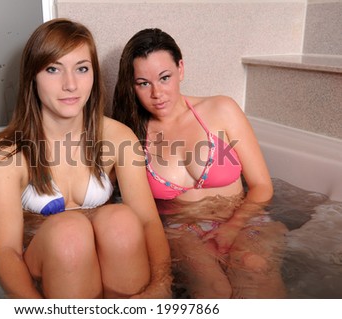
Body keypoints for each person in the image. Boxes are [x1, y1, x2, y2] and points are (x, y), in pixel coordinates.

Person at [0, 19, 172, 299]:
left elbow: (148, 223)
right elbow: (5, 252)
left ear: (93, 74)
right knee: (70, 232)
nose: (70, 84)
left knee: (121, 221)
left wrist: (161, 285)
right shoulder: (8, 153)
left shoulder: (118, 137)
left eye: (81, 69)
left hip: (111, 266)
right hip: (45, 272)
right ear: (32, 76)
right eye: (53, 69)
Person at [112, 28, 288, 298]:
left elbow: (262, 186)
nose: (157, 93)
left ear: (180, 69)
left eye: (165, 77)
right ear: (132, 86)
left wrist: (233, 226)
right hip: (181, 231)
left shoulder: (221, 110)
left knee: (254, 265)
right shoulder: (131, 134)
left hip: (242, 218)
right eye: (143, 83)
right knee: (215, 289)